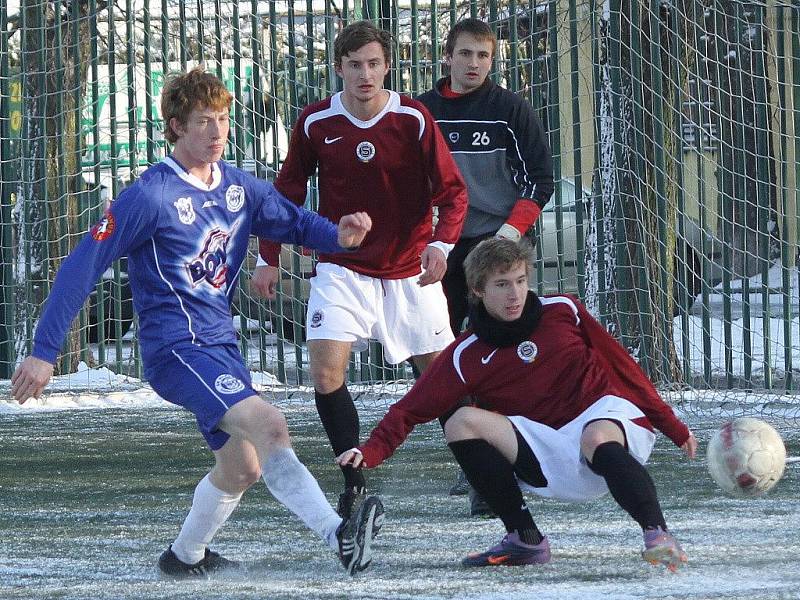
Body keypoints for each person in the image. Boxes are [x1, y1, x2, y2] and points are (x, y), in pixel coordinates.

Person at [10, 66, 384, 578]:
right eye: (204, 121)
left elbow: (292, 220)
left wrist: (337, 235)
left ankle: (183, 557)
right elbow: (83, 264)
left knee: (243, 467)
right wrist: (45, 350)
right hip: (176, 350)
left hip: (219, 347)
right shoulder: (150, 195)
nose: (216, 132)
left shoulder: (236, 185)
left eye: (223, 119)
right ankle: (337, 536)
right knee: (271, 424)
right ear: (176, 127)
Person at [337, 238, 698, 572]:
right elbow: (410, 409)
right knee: (460, 421)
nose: (515, 294)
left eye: (521, 281)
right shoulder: (465, 354)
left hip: (603, 418)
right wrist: (369, 452)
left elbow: (623, 366)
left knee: (596, 436)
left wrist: (671, 425)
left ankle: (657, 534)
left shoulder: (563, 310)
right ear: (478, 290)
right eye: (502, 284)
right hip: (544, 446)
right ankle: (525, 539)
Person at [250, 20, 468, 519]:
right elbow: (286, 196)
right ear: (338, 69)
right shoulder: (315, 122)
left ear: (387, 66)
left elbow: (453, 193)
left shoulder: (412, 119)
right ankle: (353, 485)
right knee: (326, 374)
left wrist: (442, 245)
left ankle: (480, 472)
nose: (364, 74)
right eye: (354, 65)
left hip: (410, 272)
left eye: (373, 64)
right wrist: (267, 257)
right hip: (341, 270)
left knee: (440, 381)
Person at [417, 18, 555, 510]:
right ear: (447, 57)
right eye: (466, 54)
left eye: (484, 56)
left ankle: (507, 462)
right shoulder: (421, 112)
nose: (474, 64)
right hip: (441, 248)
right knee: (445, 357)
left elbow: (540, 180)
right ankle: (474, 461)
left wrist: (507, 236)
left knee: (503, 354)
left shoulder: (510, 110)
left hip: (495, 244)